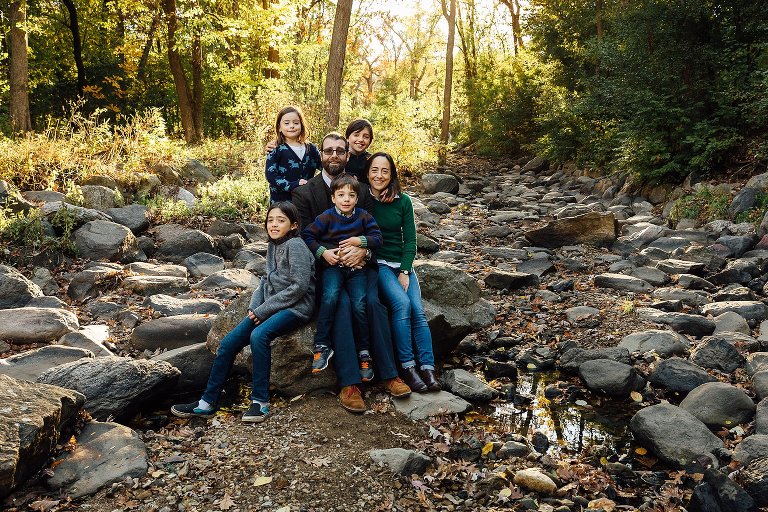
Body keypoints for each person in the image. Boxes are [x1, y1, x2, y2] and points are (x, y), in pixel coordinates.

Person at [292, 133, 412, 412]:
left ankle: (389, 374)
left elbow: (374, 232)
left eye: (340, 151)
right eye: (328, 151)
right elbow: (303, 238)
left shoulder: (360, 189)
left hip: (361, 266)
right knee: (341, 304)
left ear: (348, 156)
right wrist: (326, 254)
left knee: (372, 303)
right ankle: (350, 383)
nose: (334, 156)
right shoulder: (304, 193)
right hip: (327, 268)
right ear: (319, 155)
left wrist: (365, 252)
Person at [171, 202, 316, 422]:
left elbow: (299, 287)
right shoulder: (273, 245)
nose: (274, 225)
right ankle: (207, 402)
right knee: (228, 344)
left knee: (259, 336)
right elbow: (266, 280)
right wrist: (253, 306)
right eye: (270, 220)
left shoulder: (296, 246)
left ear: (294, 225)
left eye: (281, 220)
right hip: (272, 306)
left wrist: (263, 310)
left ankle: (260, 402)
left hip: (296, 308)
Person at [367, 152, 440, 393]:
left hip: (401, 264)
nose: (379, 175)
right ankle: (408, 368)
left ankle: (428, 368)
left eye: (385, 171)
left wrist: (406, 270)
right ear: (367, 174)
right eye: (374, 170)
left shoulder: (403, 200)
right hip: (379, 263)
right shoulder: (363, 201)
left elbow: (410, 240)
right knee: (401, 305)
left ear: (392, 174)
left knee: (418, 311)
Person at [302, 173, 383, 380]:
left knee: (359, 303)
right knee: (330, 296)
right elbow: (307, 236)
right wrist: (323, 253)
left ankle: (364, 352)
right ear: (333, 198)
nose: (346, 199)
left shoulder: (364, 216)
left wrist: (359, 241)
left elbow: (377, 238)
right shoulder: (326, 217)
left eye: (351, 195)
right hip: (334, 267)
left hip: (357, 269)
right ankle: (322, 345)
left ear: (357, 198)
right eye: (341, 195)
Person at [265, 106, 321, 203]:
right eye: (286, 123)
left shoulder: (311, 149)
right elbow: (270, 175)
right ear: (279, 128)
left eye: (296, 123)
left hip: (305, 201)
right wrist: (292, 185)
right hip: (281, 203)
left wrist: (315, 185)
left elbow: (325, 167)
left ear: (301, 125)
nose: (291, 126)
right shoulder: (276, 149)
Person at [344, 119, 374, 184]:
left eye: (366, 137)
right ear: (347, 138)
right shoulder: (341, 157)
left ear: (370, 140)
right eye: (356, 135)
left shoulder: (372, 160)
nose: (361, 139)